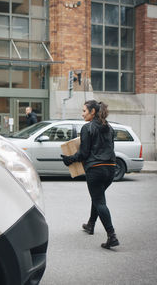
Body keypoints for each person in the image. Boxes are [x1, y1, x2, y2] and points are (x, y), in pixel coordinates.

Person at [61, 100, 119, 249]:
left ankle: (111, 236)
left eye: (84, 111)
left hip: (95, 169)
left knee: (100, 202)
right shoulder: (110, 127)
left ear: (93, 112)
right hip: (111, 169)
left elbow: (84, 153)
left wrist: (69, 159)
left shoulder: (88, 128)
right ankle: (91, 225)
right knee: (97, 196)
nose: (82, 114)